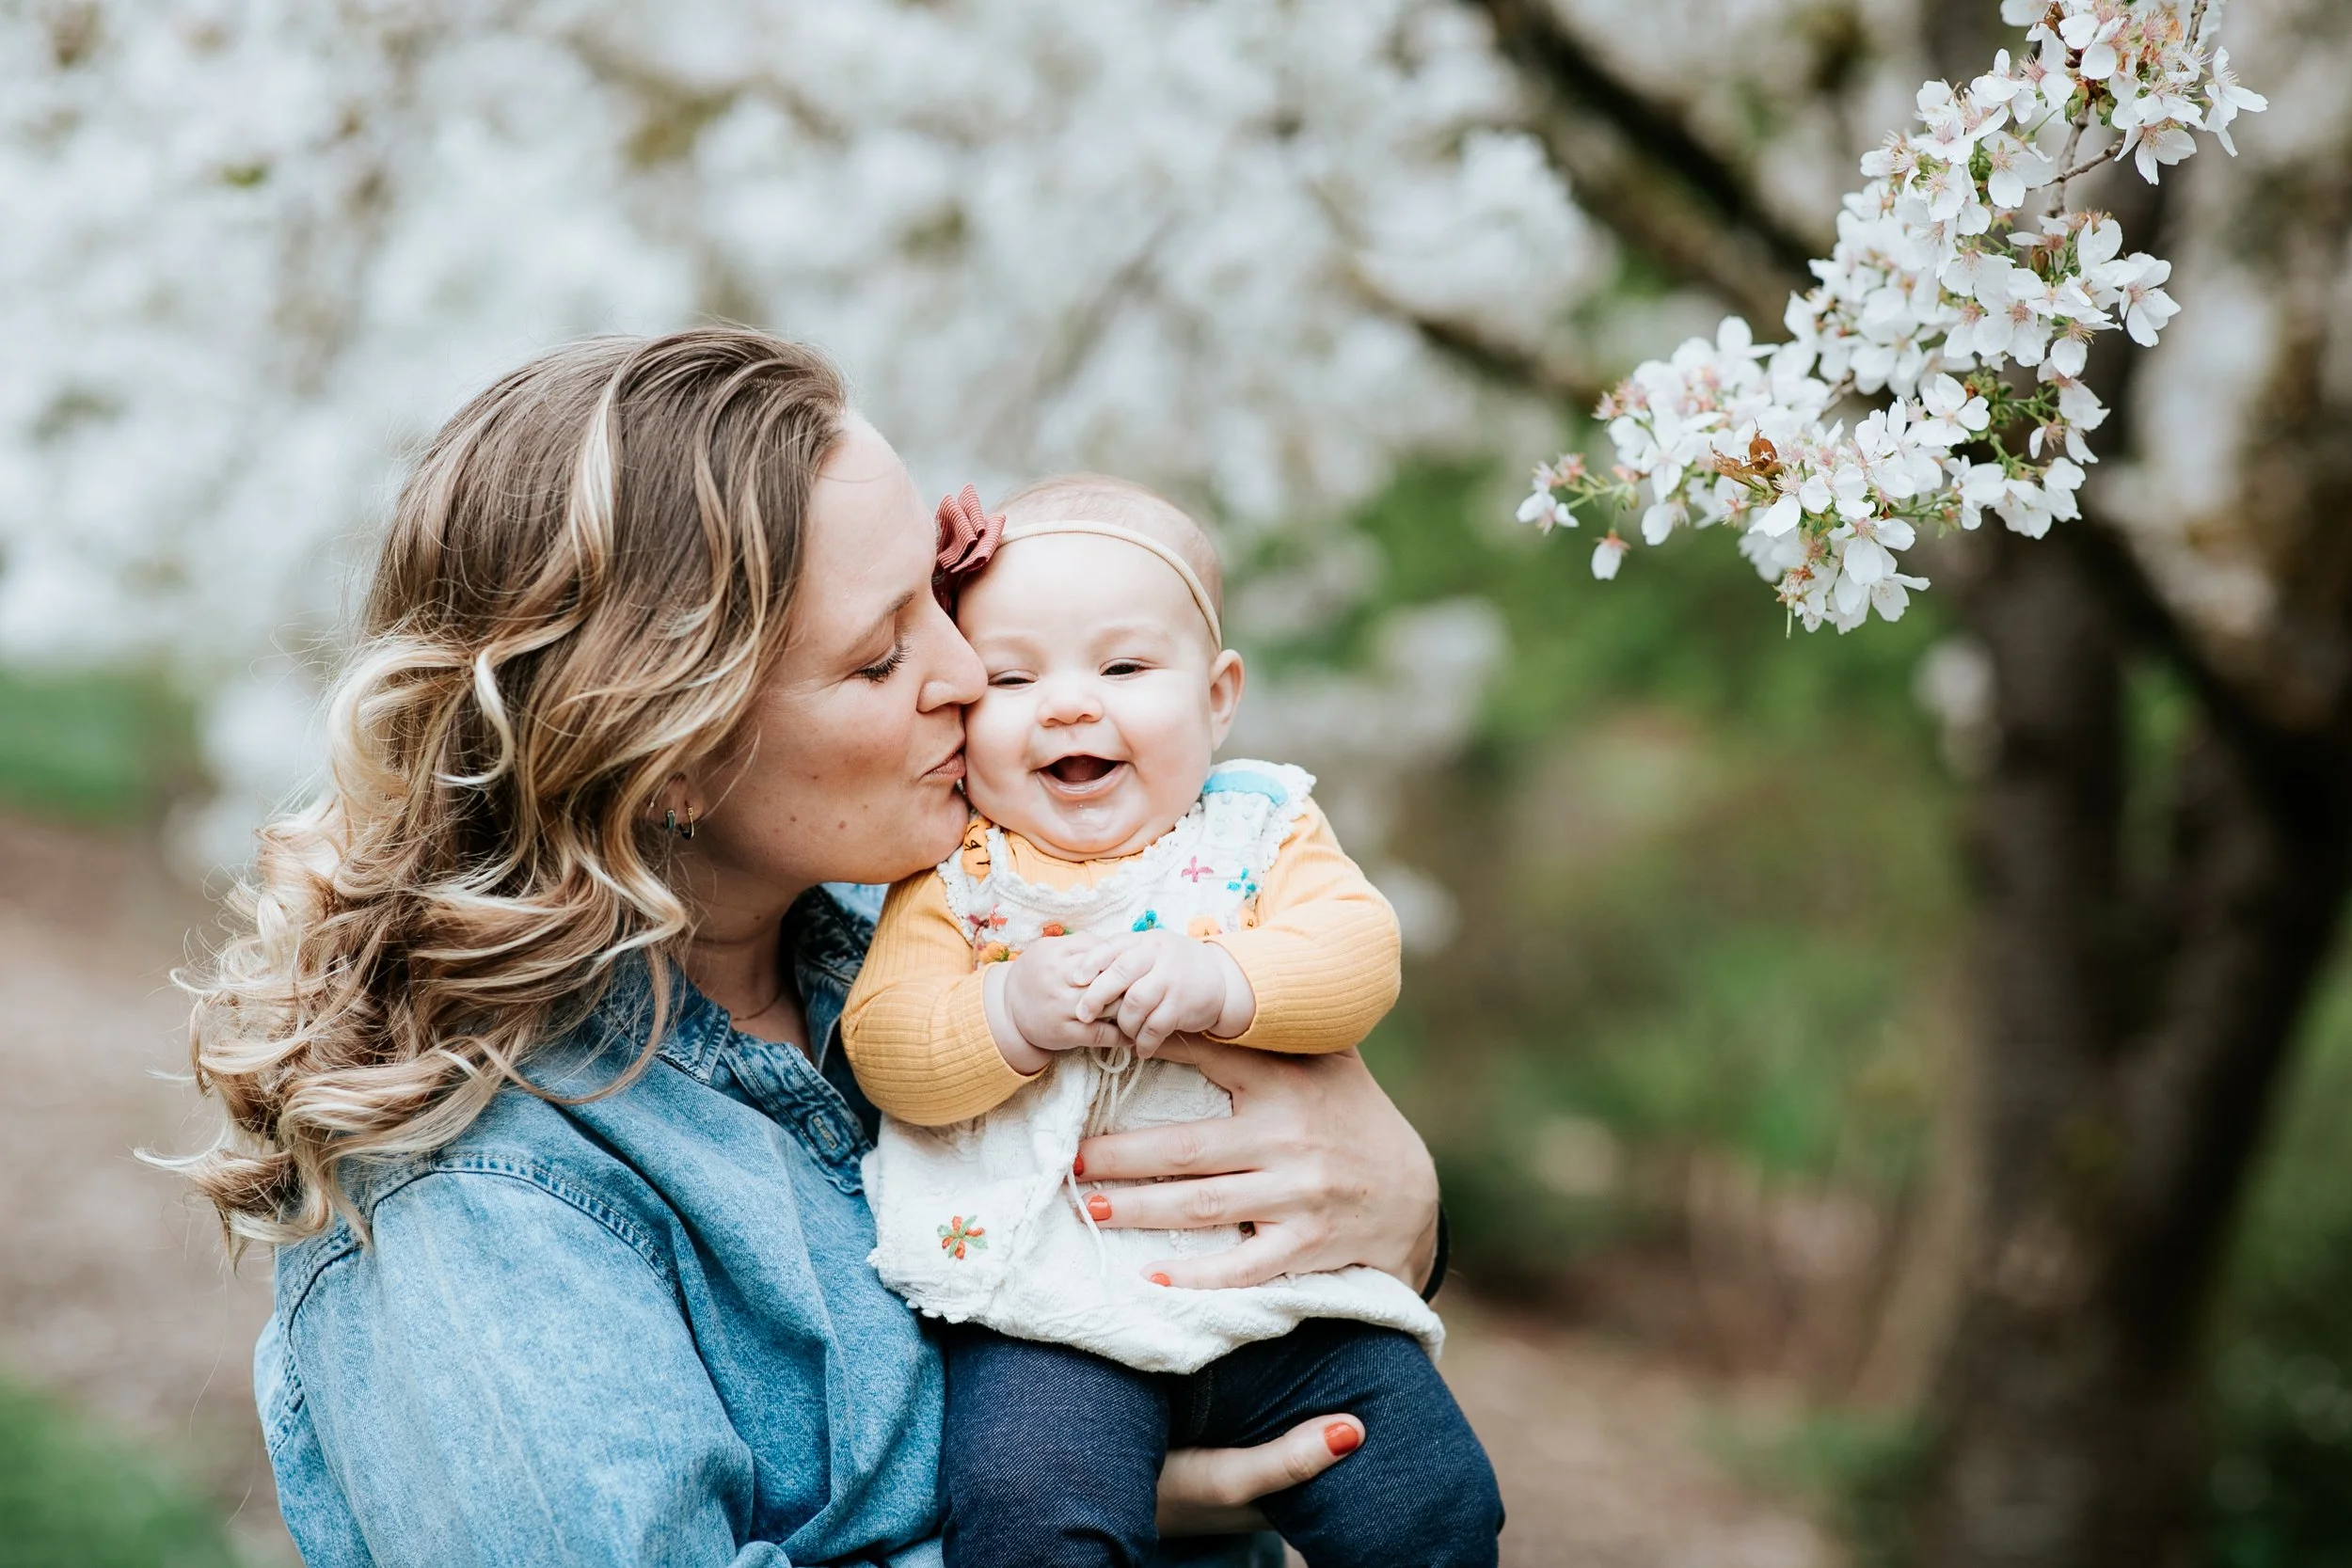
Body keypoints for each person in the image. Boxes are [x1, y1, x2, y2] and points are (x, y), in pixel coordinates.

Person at [172, 327, 1453, 1567]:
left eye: (948, 593)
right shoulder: (485, 1205)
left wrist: (1397, 1203)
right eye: (886, 649)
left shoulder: (913, 956)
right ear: (670, 752)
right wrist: (1098, 1510)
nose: (969, 673)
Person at [841, 475, 1502, 1567]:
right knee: (1029, 1514)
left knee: (1430, 1495)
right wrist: (1005, 1009)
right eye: (1010, 676)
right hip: (1049, 1315)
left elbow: (1355, 954)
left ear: (1219, 694)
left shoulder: (1258, 831)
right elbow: (888, 1044)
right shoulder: (955, 877)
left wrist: (1223, 978)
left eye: (1124, 666)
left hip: (1283, 1301)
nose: (1066, 704)